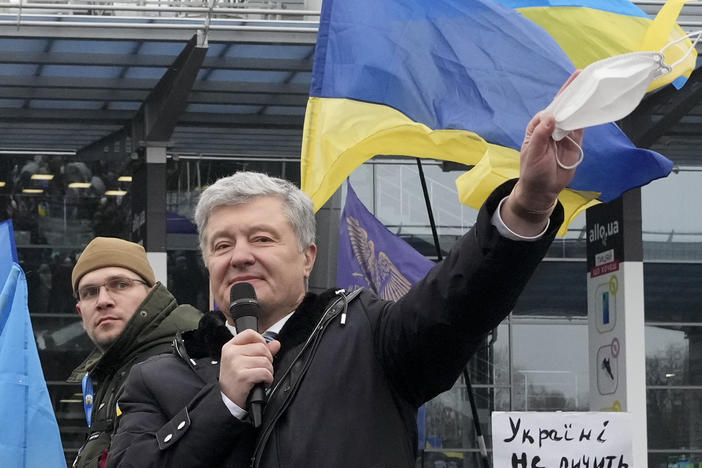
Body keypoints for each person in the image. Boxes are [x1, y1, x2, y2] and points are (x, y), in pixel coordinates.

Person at [106, 92, 583, 468]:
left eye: (262, 239)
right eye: (222, 245)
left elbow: (458, 301)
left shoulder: (370, 337)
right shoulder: (155, 378)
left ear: (307, 256)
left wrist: (527, 205)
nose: (241, 256)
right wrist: (224, 402)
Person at [66, 237, 201, 468]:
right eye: (89, 292)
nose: (103, 301)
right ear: (80, 312)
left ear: (151, 292)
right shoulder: (114, 368)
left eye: (120, 284)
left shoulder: (180, 358)